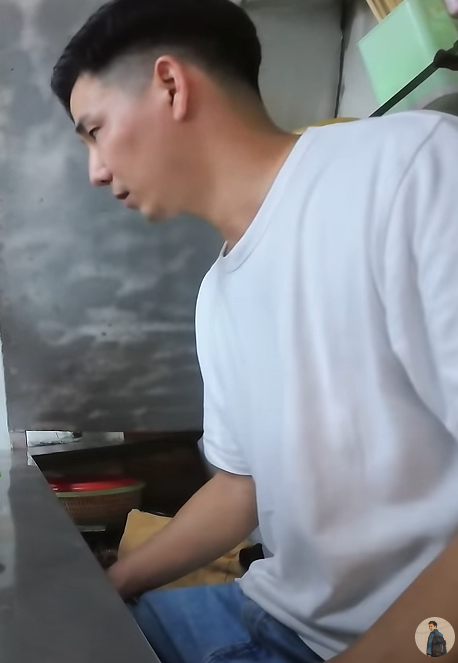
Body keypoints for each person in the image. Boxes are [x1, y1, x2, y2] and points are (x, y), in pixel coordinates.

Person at [51, 1, 458, 662]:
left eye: (93, 130)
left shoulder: (409, 169)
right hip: (267, 608)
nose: (95, 170)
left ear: (171, 85)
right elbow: (242, 488)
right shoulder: (218, 295)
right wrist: (116, 584)